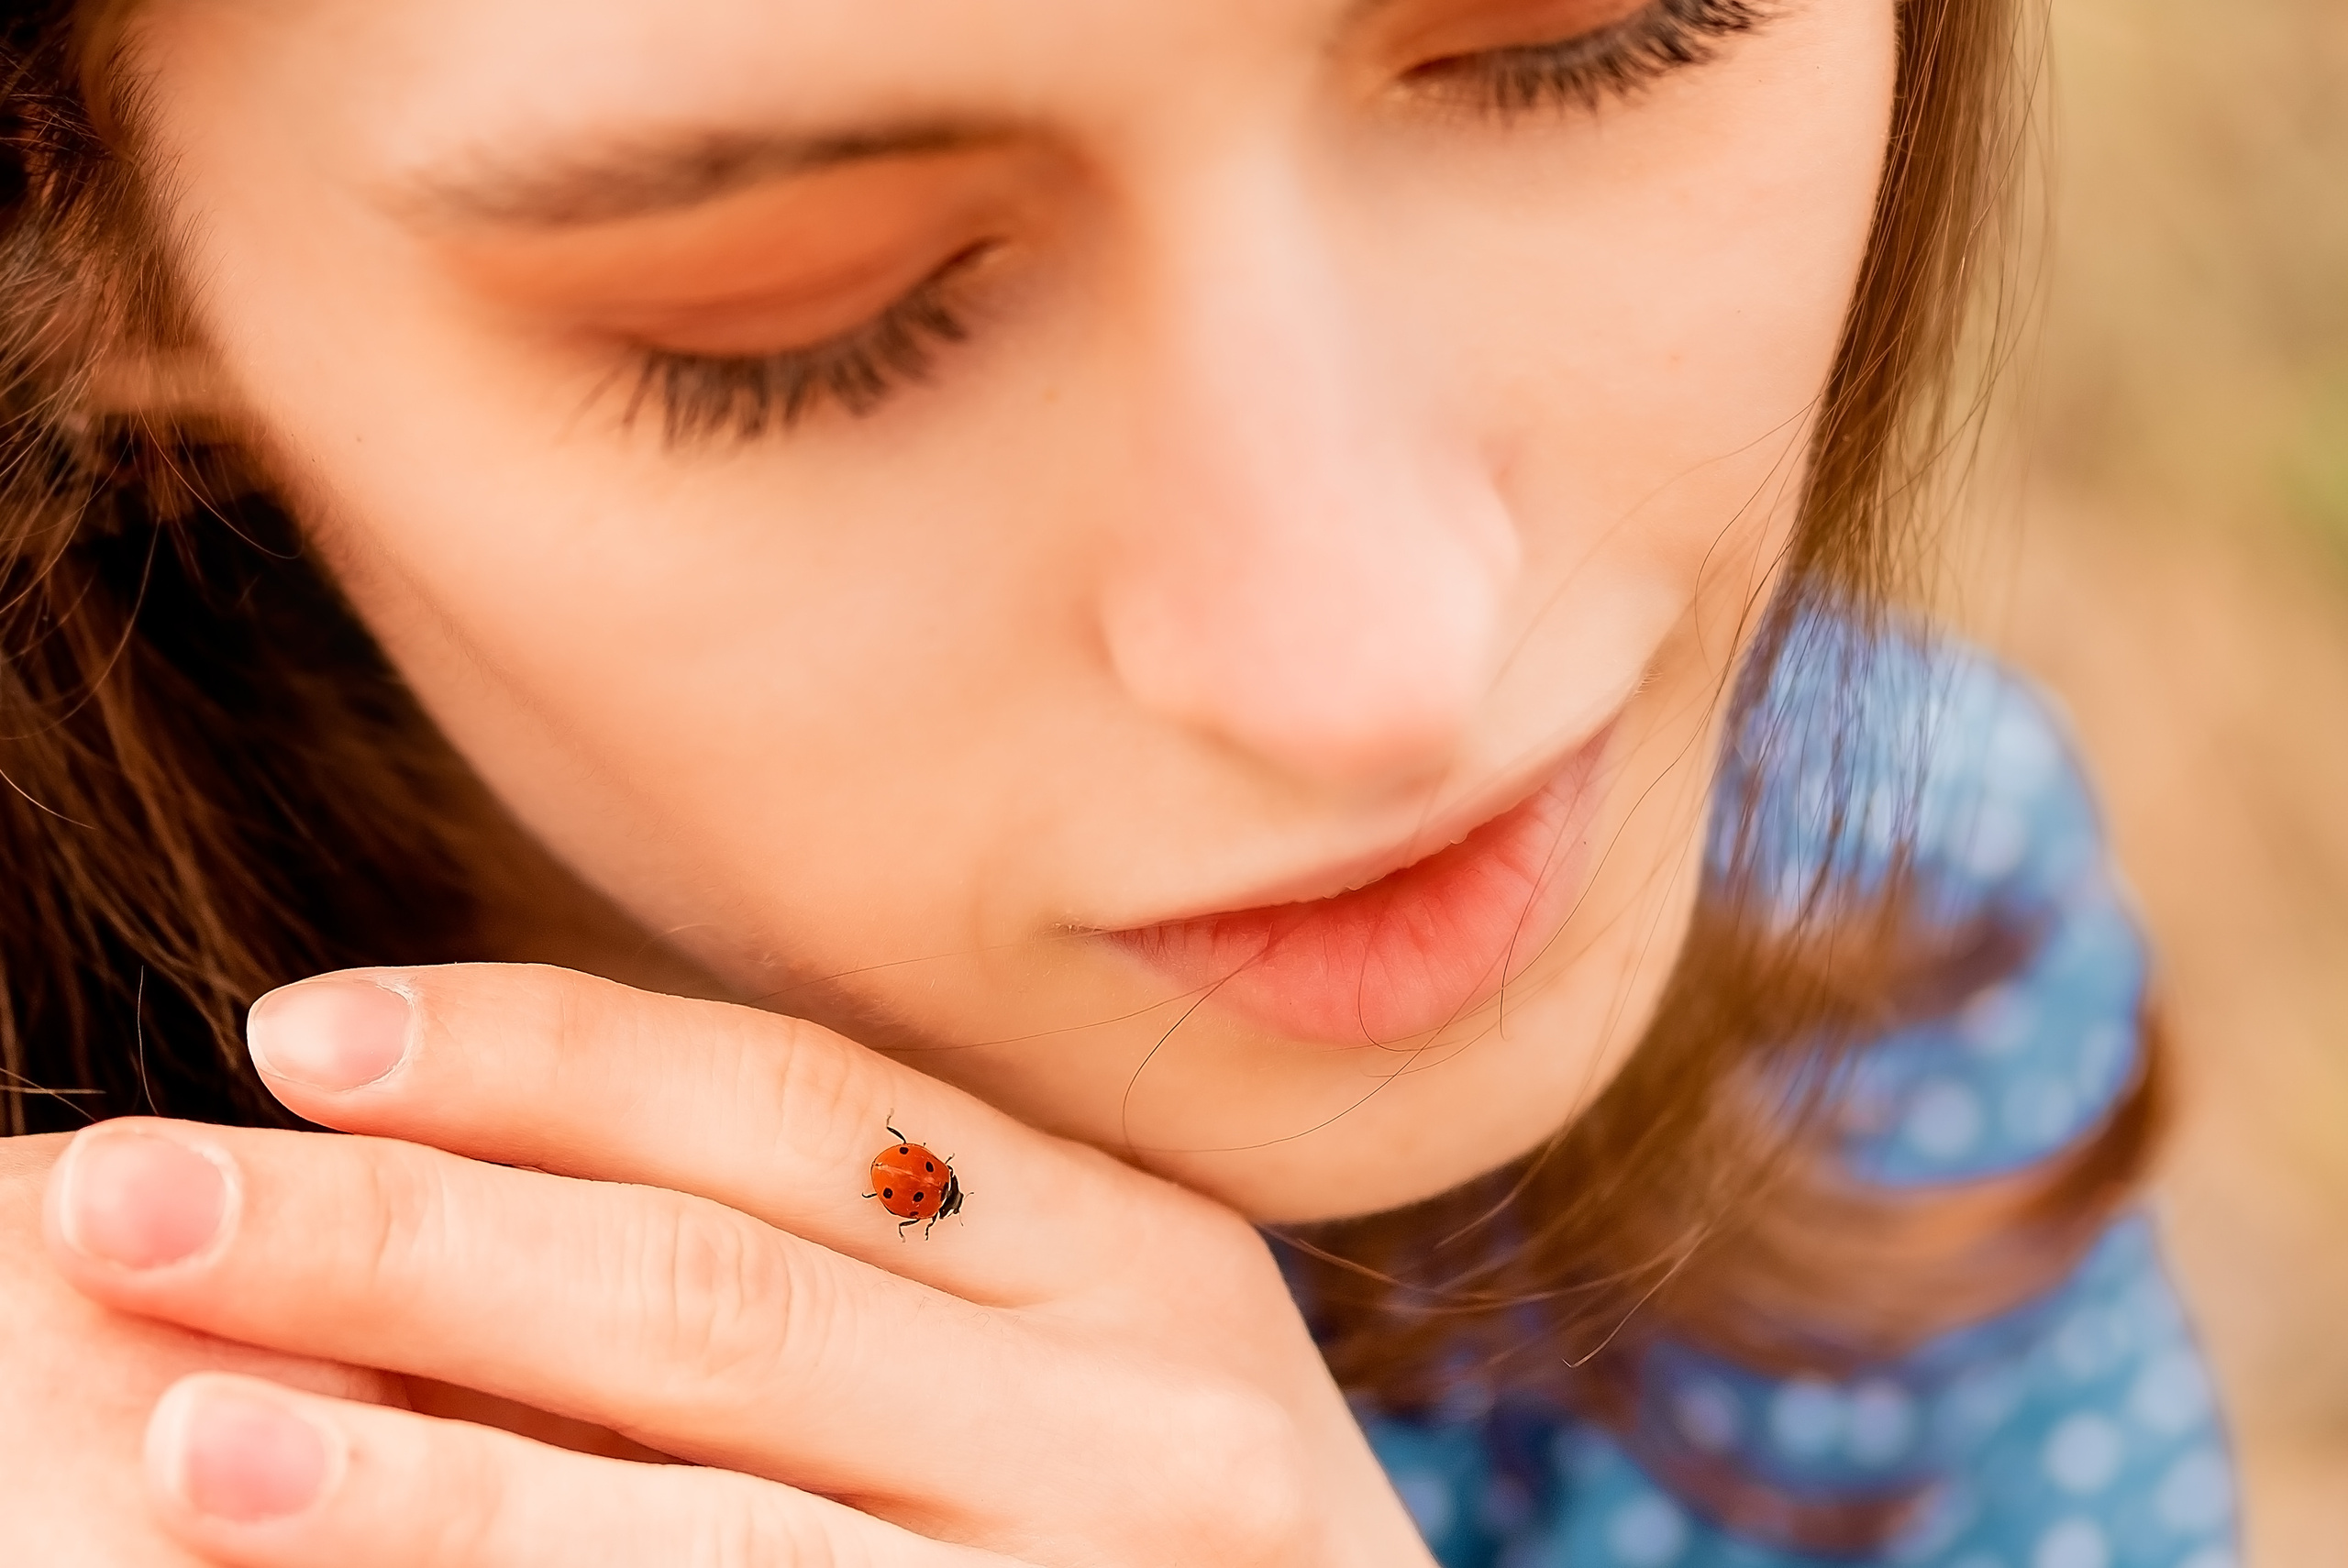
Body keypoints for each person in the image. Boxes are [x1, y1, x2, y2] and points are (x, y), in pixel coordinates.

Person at [0, 0, 2240, 1563]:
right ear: (66, 224)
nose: (1382, 667)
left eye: (1596, 28)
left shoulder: (1874, 938)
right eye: (799, 312)